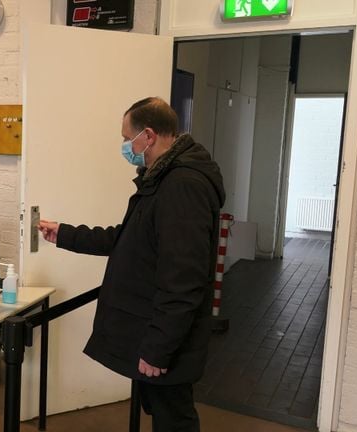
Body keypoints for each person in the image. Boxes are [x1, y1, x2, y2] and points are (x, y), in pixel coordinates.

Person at [38, 97, 225, 431]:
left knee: (174, 420)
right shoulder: (160, 179)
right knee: (163, 415)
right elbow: (124, 239)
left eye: (127, 138)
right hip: (157, 334)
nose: (125, 145)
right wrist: (64, 234)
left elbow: (184, 280)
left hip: (169, 343)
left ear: (148, 136)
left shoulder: (182, 186)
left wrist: (157, 350)